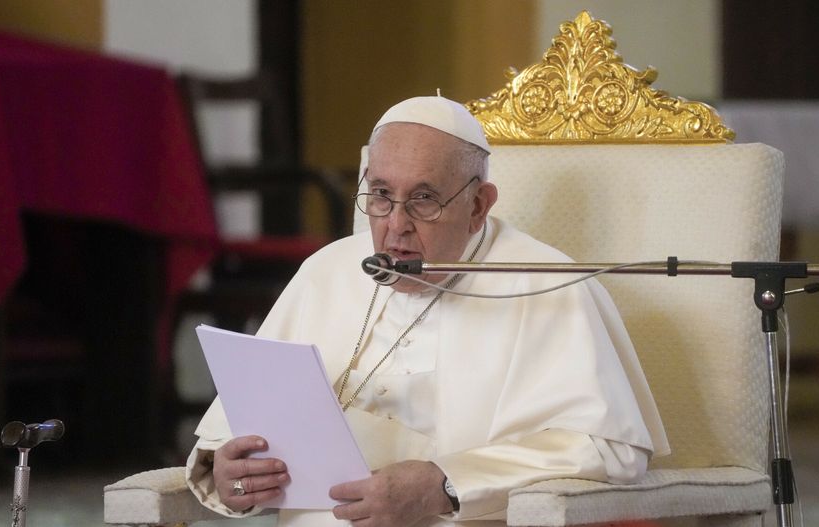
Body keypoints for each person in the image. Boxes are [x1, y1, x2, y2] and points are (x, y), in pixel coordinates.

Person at [186, 95, 670, 526]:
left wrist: (444, 484)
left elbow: (612, 449)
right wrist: (230, 471)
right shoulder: (327, 270)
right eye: (380, 195)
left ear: (479, 205)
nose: (395, 226)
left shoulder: (544, 283)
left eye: (423, 200)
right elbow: (235, 437)